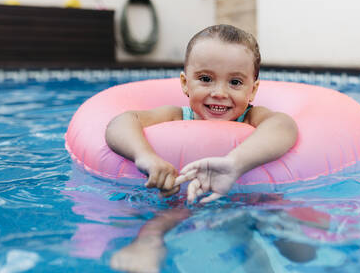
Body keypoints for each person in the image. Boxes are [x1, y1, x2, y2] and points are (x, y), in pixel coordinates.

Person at [105, 24, 298, 203]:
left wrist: (236, 163)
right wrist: (145, 156)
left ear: (253, 91)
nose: (220, 93)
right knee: (159, 224)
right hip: (181, 199)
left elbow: (283, 125)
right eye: (206, 78)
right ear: (185, 83)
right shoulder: (177, 116)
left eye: (235, 82)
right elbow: (121, 122)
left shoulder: (250, 117)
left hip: (248, 198)